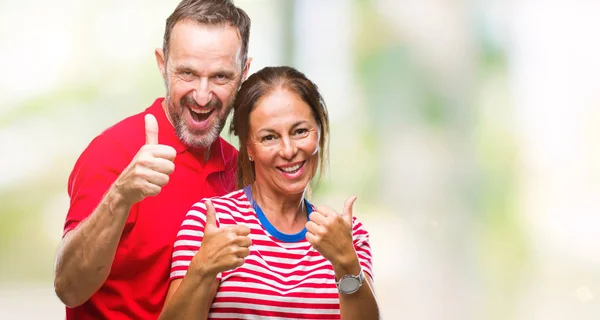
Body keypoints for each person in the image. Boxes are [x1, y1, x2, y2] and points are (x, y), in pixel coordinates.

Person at [53, 0, 252, 318]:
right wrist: (121, 195)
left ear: (243, 72)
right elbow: (69, 288)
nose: (202, 95)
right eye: (187, 73)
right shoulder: (113, 152)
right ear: (163, 64)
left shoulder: (243, 171)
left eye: (219, 77)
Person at [160, 66, 380, 319]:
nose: (288, 150)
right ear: (248, 148)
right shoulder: (211, 222)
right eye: (269, 137)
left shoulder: (348, 235)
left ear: (318, 134)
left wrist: (346, 263)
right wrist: (201, 269)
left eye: (300, 131)